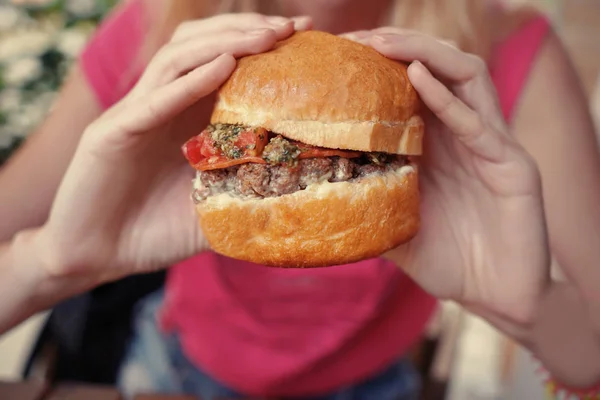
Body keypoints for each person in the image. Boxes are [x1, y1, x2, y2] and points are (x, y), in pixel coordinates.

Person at [1, 0, 599, 399]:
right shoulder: (156, 31)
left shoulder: (513, 52)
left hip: (378, 383)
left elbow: (590, 357)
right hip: (173, 370)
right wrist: (51, 262)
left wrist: (535, 310)